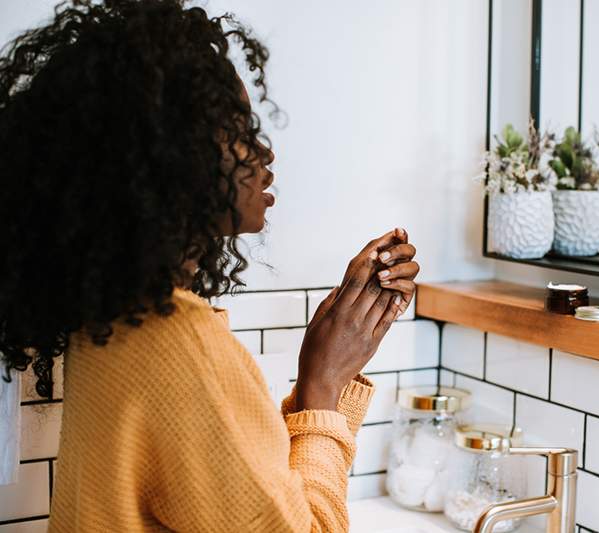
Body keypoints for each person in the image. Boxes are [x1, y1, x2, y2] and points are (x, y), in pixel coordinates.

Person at [0, 0, 419, 530]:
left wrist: (333, 370)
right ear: (171, 156)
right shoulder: (179, 341)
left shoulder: (112, 314)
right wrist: (322, 384)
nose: (264, 154)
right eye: (241, 130)